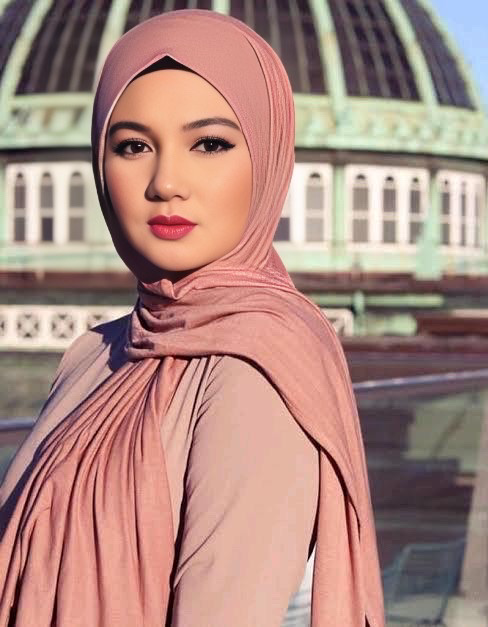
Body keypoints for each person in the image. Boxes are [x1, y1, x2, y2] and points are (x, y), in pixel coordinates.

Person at [0, 9, 384, 627]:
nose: (166, 182)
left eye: (210, 144)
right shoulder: (96, 353)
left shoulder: (255, 368)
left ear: (268, 158)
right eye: (133, 146)